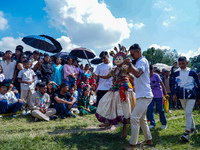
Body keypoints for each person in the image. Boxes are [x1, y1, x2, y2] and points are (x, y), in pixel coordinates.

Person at [95, 45, 136, 138]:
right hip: (115, 89)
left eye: (120, 58)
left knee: (125, 109)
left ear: (124, 59)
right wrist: (98, 76)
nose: (117, 60)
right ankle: (112, 122)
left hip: (125, 90)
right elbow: (107, 76)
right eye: (116, 59)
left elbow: (131, 71)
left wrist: (129, 64)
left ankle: (124, 129)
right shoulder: (114, 69)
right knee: (108, 104)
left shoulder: (125, 68)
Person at [124, 43, 153, 149]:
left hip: (144, 96)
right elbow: (136, 76)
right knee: (141, 119)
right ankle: (148, 140)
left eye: (132, 54)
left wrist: (130, 65)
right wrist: (128, 74)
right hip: (143, 95)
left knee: (134, 118)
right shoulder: (139, 62)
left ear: (138, 52)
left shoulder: (141, 61)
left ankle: (133, 144)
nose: (132, 56)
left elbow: (138, 74)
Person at [172, 56, 200, 142]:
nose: (181, 65)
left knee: (188, 112)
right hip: (181, 96)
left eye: (183, 63)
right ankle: (194, 129)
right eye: (179, 64)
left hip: (192, 96)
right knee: (188, 113)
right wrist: (174, 94)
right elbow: (173, 84)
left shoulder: (192, 72)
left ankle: (187, 132)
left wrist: (199, 96)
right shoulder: (176, 73)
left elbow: (198, 85)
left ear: (186, 63)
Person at [147, 65, 168, 129]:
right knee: (149, 109)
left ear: (153, 70)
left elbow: (162, 85)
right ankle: (152, 123)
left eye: (151, 72)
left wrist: (166, 93)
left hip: (158, 94)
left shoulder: (156, 76)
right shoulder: (146, 76)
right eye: (148, 72)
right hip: (150, 95)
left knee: (160, 109)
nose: (150, 73)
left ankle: (164, 123)